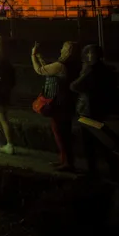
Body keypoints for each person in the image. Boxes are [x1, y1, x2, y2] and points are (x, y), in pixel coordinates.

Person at [70, 44, 119, 177]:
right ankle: (113, 168)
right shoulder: (106, 69)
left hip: (87, 110)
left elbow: (74, 86)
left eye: (89, 53)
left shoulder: (90, 70)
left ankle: (93, 169)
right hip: (100, 109)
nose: (87, 56)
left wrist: (82, 72)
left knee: (89, 140)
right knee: (101, 137)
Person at [31, 40, 81, 172]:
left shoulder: (61, 66)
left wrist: (32, 56)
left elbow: (41, 71)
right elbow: (49, 70)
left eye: (63, 48)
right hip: (67, 102)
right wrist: (40, 57)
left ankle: (68, 163)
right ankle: (64, 160)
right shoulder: (74, 65)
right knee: (63, 132)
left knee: (60, 133)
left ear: (68, 51)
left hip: (60, 103)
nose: (60, 51)